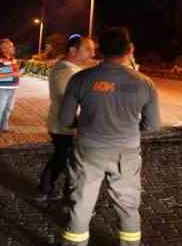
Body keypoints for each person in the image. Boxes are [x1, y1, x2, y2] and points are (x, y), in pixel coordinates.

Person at [57, 27, 161, 246]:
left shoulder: (80, 79)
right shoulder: (145, 83)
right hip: (126, 153)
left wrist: (83, 124)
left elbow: (65, 119)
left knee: (82, 203)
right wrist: (128, 128)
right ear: (129, 49)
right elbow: (152, 125)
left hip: (88, 150)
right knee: (128, 206)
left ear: (100, 51)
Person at [35, 36, 95, 202]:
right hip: (65, 124)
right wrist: (76, 125)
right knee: (63, 158)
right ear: (73, 50)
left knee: (62, 157)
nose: (93, 53)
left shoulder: (71, 68)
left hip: (67, 123)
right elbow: (65, 99)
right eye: (88, 49)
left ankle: (47, 188)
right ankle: (47, 189)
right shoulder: (65, 70)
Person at [0, 39, 21, 136]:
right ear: (4, 48)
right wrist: (13, 73)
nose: (13, 48)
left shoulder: (12, 58)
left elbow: (10, 71)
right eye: (11, 46)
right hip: (2, 88)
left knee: (8, 109)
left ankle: (4, 127)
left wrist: (17, 72)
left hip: (13, 87)